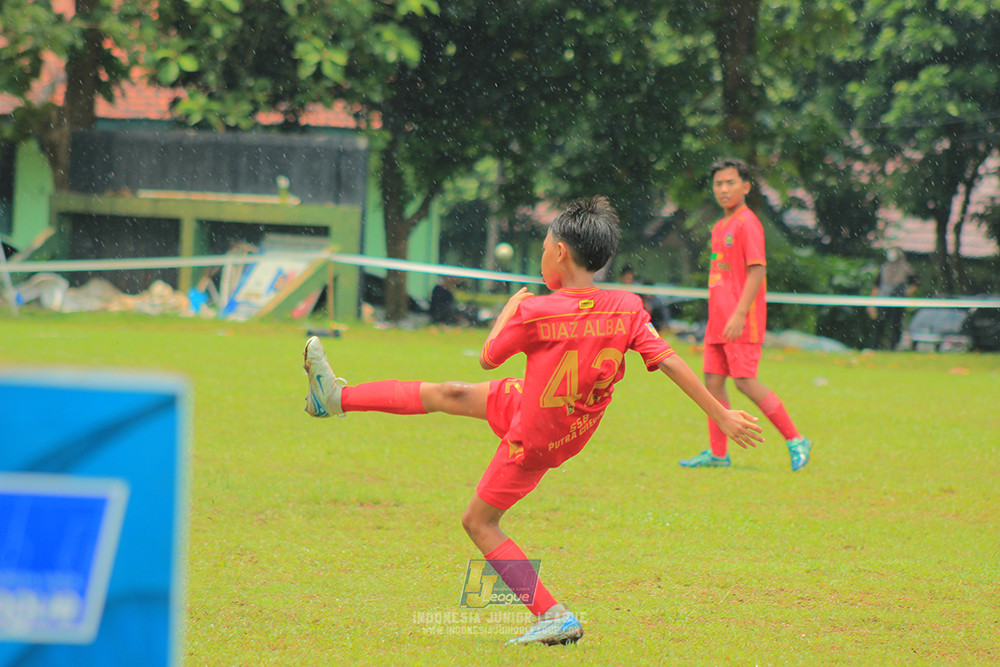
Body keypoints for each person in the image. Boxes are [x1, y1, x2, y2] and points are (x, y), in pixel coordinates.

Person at [302, 196, 764, 646]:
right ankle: (335, 398)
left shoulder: (536, 310)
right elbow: (668, 362)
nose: (543, 254)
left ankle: (552, 615)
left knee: (479, 523)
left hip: (535, 436)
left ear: (560, 253)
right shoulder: (626, 306)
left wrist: (509, 308)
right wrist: (720, 413)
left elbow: (487, 357)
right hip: (552, 415)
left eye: (544, 247)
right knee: (450, 393)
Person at [679, 158, 812, 471]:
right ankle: (718, 454)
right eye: (718, 184)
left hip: (741, 321)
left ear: (746, 187)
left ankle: (796, 439)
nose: (723, 189)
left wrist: (739, 314)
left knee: (745, 382)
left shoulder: (747, 222)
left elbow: (758, 269)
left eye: (730, 182)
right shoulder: (721, 226)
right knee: (712, 382)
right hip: (717, 321)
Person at [867, 246, 917, 350]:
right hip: (883, 300)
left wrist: (907, 294)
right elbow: (877, 286)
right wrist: (872, 303)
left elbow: (915, 282)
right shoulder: (884, 267)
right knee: (879, 323)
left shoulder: (906, 268)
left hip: (897, 300)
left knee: (896, 324)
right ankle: (875, 347)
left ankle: (893, 347)